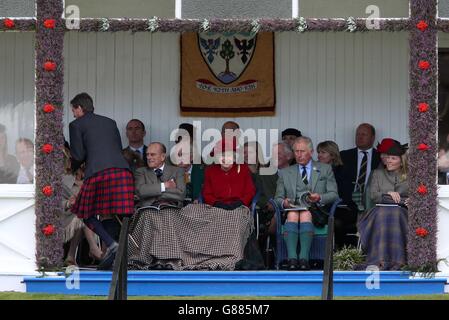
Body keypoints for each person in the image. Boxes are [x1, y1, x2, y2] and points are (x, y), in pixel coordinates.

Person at [69, 92, 134, 270]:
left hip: (98, 172)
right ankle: (114, 254)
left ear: (79, 108)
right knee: (111, 212)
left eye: (73, 110)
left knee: (84, 212)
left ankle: (111, 245)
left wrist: (72, 166)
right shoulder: (110, 122)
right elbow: (116, 148)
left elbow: (79, 155)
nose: (73, 114)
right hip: (122, 172)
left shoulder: (76, 125)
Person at [275, 136, 338, 270]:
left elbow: (334, 194)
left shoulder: (325, 169)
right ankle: (293, 259)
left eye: (302, 151)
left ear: (311, 152)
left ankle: (303, 258)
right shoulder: (286, 173)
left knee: (304, 214)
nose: (298, 154)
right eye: (296, 151)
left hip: (316, 211)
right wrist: (284, 202)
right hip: (292, 210)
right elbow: (278, 198)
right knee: (293, 214)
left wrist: (319, 197)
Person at [358, 140, 409, 270]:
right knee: (384, 213)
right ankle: (379, 259)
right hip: (378, 212)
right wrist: (389, 193)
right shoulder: (377, 173)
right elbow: (374, 196)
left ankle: (399, 260)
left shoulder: (410, 176)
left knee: (396, 213)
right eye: (387, 158)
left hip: (402, 213)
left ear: (401, 160)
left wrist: (399, 201)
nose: (389, 161)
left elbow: (412, 198)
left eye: (393, 158)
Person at [337, 123, 381, 247]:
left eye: (364, 134)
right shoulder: (344, 156)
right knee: (337, 222)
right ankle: (342, 254)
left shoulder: (381, 157)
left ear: (373, 138)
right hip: (347, 204)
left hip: (373, 204)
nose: (359, 137)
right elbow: (337, 182)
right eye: (357, 134)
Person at [61, 146, 103, 266]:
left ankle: (73, 255)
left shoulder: (85, 174)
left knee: (84, 212)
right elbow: (55, 201)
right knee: (82, 214)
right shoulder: (60, 178)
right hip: (63, 214)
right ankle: (92, 248)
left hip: (85, 211)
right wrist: (69, 203)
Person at [203, 139, 256, 209]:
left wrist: (240, 203)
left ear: (234, 157)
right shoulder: (210, 171)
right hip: (216, 209)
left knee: (233, 219)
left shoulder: (243, 169)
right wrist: (216, 203)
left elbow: (250, 192)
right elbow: (207, 194)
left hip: (239, 208)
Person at [134, 142, 186, 208]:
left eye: (152, 154)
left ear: (162, 157)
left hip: (171, 210)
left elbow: (181, 194)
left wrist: (151, 193)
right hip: (149, 210)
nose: (148, 157)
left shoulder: (177, 171)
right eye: (147, 154)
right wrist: (164, 185)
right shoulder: (141, 171)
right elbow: (140, 191)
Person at [316, 140, 347, 248]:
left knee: (336, 223)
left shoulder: (341, 171)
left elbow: (343, 194)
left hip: (338, 208)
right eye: (318, 152)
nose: (319, 155)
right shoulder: (314, 170)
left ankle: (336, 252)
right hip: (317, 208)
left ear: (333, 155)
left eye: (323, 152)